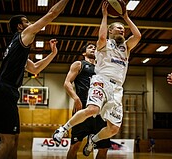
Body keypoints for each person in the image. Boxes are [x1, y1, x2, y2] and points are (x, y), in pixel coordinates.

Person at [52, 0, 141, 156]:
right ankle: (62, 130)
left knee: (114, 128)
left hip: (117, 88)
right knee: (93, 109)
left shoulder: (126, 47)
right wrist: (105, 15)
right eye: (118, 28)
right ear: (111, 31)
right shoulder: (103, 44)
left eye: (123, 29)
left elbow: (138, 35)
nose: (122, 30)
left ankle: (94, 140)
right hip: (102, 81)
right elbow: (101, 36)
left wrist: (126, 17)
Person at [0, 1, 69, 159]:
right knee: (7, 142)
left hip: (7, 93)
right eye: (26, 21)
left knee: (14, 139)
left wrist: (52, 54)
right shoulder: (22, 36)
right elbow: (51, 14)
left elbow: (35, 69)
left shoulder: (17, 48)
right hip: (4, 91)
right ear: (19, 26)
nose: (30, 23)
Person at [64, 43, 110, 159]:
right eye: (90, 47)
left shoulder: (103, 68)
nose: (94, 48)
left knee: (103, 148)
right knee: (75, 146)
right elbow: (67, 83)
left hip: (100, 110)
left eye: (95, 47)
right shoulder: (79, 64)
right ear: (84, 53)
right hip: (83, 108)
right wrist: (76, 98)